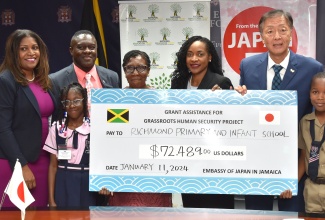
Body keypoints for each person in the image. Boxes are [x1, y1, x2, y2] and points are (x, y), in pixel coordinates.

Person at [235, 9, 324, 212]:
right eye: (270, 31)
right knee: (256, 215)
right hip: (257, 161)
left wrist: (296, 173)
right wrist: (237, 97)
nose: (277, 37)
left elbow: (316, 119)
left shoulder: (312, 68)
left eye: (282, 30)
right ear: (261, 36)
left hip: (295, 162)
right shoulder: (248, 66)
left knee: (293, 215)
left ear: (291, 32)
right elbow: (244, 110)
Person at [171, 36, 234, 209]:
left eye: (200, 54)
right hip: (188, 162)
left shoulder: (220, 83)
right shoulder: (178, 82)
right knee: (192, 209)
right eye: (190, 54)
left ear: (210, 57)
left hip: (215, 164)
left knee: (217, 210)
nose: (194, 59)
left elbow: (231, 122)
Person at [108, 50, 172, 207]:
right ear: (124, 71)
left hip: (155, 175)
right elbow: (109, 140)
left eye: (141, 68)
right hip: (123, 176)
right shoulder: (114, 101)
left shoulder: (162, 100)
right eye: (130, 68)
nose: (135, 73)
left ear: (149, 70)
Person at [0, 29, 55, 207]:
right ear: (14, 53)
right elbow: (3, 128)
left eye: (35, 48)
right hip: (15, 163)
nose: (31, 53)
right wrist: (21, 166)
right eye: (24, 49)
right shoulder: (6, 81)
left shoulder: (44, 80)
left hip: (44, 161)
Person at [43, 82, 109, 207]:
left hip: (88, 182)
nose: (71, 105)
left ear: (84, 101)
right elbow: (53, 167)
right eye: (66, 102)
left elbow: (103, 161)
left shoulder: (94, 127)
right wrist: (51, 199)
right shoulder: (57, 128)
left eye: (76, 100)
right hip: (63, 181)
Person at [280, 72, 325, 213]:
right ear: (309, 93)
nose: (320, 97)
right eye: (315, 92)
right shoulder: (305, 122)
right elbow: (303, 157)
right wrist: (290, 185)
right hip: (311, 190)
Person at [50, 30, 120, 119]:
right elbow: (57, 117)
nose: (87, 51)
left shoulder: (112, 77)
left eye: (92, 47)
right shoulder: (56, 80)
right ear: (71, 50)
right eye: (81, 47)